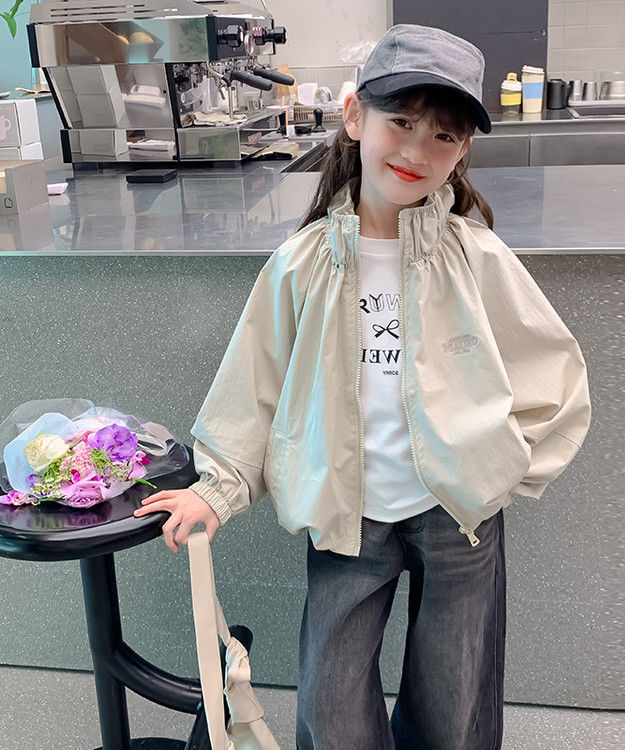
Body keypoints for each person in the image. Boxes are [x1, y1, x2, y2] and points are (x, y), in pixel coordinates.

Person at [133, 23, 592, 750]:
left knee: (456, 700)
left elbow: (552, 375)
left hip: (458, 517)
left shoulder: (477, 257)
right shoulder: (302, 263)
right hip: (347, 515)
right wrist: (216, 489)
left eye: (443, 136)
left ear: (463, 152)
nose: (416, 150)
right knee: (332, 702)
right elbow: (255, 385)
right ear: (355, 116)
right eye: (400, 121)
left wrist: (502, 466)